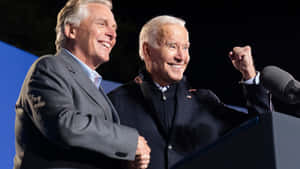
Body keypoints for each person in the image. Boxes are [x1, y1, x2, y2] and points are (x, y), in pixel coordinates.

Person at [108, 15, 272, 169]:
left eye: (185, 48)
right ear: (147, 50)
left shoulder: (204, 102)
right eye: (172, 46)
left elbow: (262, 132)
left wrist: (249, 73)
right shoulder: (115, 103)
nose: (181, 57)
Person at [14, 0, 151, 169]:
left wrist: (126, 161)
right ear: (71, 30)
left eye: (114, 28)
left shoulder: (97, 90)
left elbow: (94, 146)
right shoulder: (49, 67)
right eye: (102, 24)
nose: (112, 34)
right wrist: (129, 141)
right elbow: (64, 124)